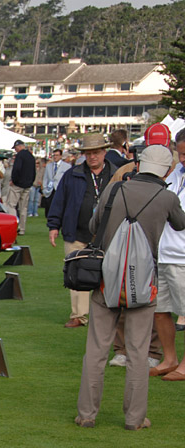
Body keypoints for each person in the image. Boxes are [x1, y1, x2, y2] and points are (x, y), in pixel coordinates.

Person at [75, 144, 185, 430]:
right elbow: (180, 224)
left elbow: (93, 224)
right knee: (139, 352)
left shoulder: (114, 190)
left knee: (97, 348)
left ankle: (87, 414)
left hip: (106, 280)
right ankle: (135, 419)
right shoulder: (167, 197)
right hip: (143, 282)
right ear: (168, 170)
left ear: (138, 165)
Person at [48, 132, 116, 328]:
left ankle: (108, 314)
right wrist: (54, 225)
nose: (92, 156)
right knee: (76, 273)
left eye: (96, 152)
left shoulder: (116, 174)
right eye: (88, 153)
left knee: (109, 273)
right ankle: (79, 315)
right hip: (76, 231)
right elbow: (59, 201)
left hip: (107, 233)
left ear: (104, 152)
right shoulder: (72, 174)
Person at [150, 129, 185, 381]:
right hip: (162, 253)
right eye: (181, 154)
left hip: (183, 256)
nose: (183, 159)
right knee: (160, 310)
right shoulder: (175, 174)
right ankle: (170, 358)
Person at [8, 140, 36, 235]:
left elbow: (17, 169)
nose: (15, 150)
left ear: (18, 146)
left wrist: (14, 180)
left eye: (15, 148)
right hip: (27, 185)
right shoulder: (31, 156)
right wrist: (30, 182)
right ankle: (22, 229)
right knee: (23, 208)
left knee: (11, 205)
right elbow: (34, 171)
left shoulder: (20, 156)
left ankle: (14, 226)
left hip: (18, 184)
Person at [41, 149, 69, 216]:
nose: (55, 157)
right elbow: (45, 178)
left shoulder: (67, 166)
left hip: (60, 189)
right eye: (54, 155)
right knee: (49, 206)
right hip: (50, 189)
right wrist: (44, 189)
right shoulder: (49, 166)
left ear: (61, 156)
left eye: (57, 155)